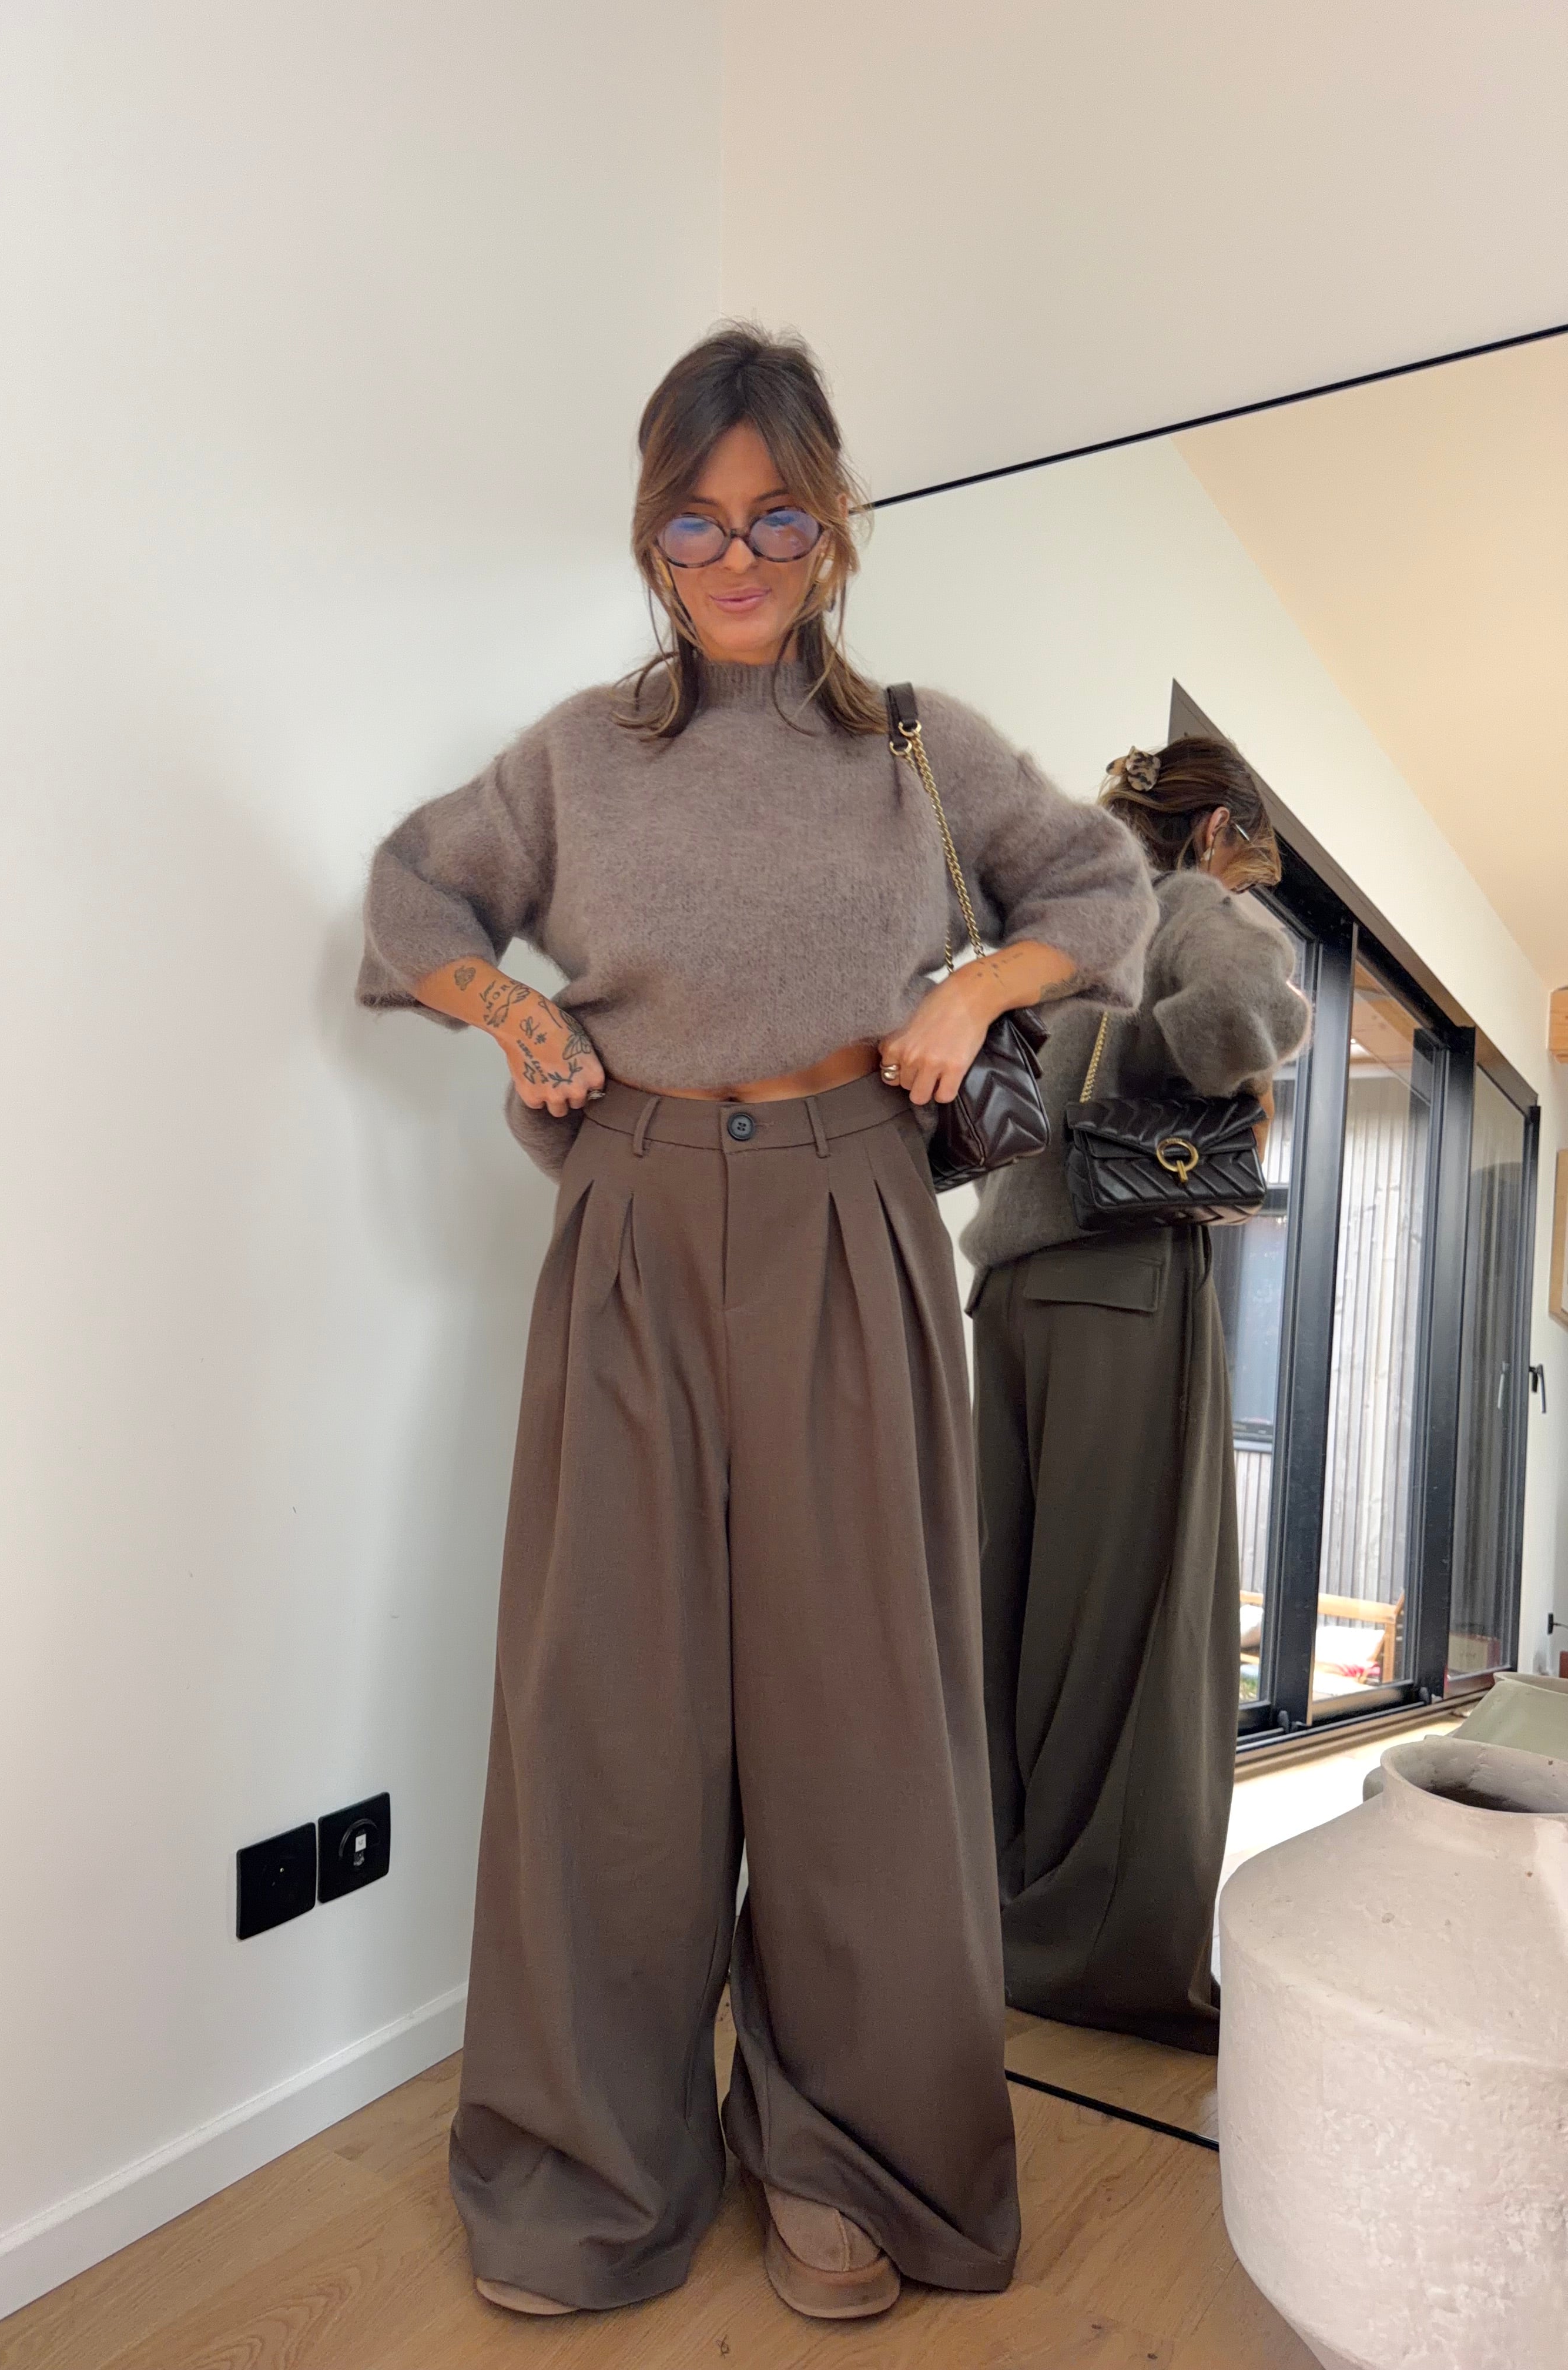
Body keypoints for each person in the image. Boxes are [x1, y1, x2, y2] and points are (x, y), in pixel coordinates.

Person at [355, 325, 1157, 2320]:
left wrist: (974, 989)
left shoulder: (916, 750)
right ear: (652, 537)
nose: (737, 557)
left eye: (777, 517)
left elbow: (1102, 890)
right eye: (697, 523)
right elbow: (412, 896)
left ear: (833, 529)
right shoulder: (574, 757)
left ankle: (844, 2156)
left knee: (857, 1722)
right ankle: (589, 2164)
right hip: (629, 1217)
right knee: (606, 1716)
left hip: (849, 1217)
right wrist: (510, 1011)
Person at [963, 737, 1311, 2054]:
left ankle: (991, 1912)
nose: (1245, 883)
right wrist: (1176, 1066)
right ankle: (1095, 1960)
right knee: (1135, 1620)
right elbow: (1248, 1007)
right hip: (1120, 1278)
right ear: (1217, 829)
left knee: (1009, 1613)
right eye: (1249, 861)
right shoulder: (1185, 904)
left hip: (1011, 1297)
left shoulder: (1055, 926)